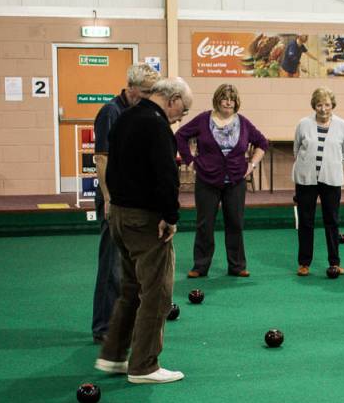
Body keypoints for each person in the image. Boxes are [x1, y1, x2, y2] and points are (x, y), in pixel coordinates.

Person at [95, 77, 193, 384]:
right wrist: (170, 216)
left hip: (120, 217)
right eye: (184, 109)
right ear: (172, 99)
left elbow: (110, 165)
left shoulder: (125, 116)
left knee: (130, 290)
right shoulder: (157, 125)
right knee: (157, 294)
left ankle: (113, 356)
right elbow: (166, 175)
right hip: (145, 220)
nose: (182, 116)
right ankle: (144, 366)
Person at [90, 63, 160, 344]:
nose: (147, 98)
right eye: (144, 92)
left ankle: (122, 322)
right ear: (130, 87)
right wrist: (108, 198)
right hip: (113, 198)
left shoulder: (137, 112)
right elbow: (102, 158)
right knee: (111, 263)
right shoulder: (111, 112)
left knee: (128, 265)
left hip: (130, 199)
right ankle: (104, 327)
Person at [176, 84, 268, 278]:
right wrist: (190, 161)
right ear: (217, 100)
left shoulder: (243, 123)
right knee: (205, 224)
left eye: (232, 99)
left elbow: (262, 143)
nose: (228, 102)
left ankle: (237, 266)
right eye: (224, 98)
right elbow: (180, 136)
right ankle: (200, 266)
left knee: (235, 223)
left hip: (235, 181)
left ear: (236, 103)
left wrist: (252, 165)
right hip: (207, 180)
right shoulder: (203, 120)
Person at [293, 87, 344, 276]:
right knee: (306, 222)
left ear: (332, 105)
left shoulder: (342, 125)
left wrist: (331, 166)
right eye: (319, 104)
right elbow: (297, 150)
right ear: (314, 106)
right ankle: (304, 263)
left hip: (331, 180)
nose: (323, 108)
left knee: (332, 221)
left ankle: (334, 262)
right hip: (305, 180)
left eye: (327, 104)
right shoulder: (303, 124)